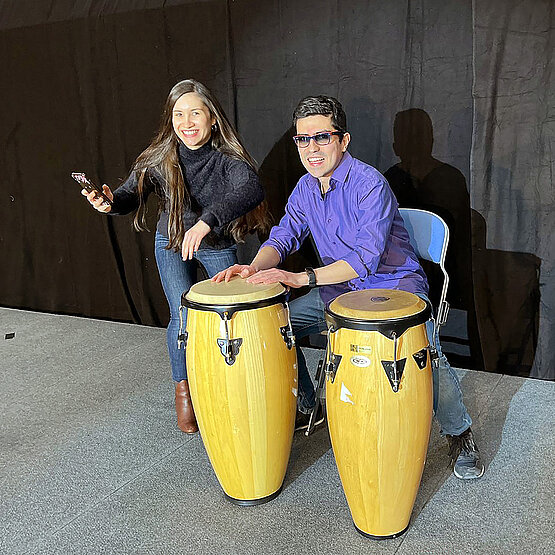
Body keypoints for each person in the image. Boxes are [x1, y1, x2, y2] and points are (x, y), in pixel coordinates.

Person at [213, 95, 484, 480]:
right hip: (338, 294)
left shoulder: (369, 184)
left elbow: (363, 260)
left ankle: (460, 433)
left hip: (395, 289)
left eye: (322, 137)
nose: (311, 148)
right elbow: (284, 236)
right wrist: (254, 267)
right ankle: (309, 405)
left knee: (428, 353)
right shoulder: (306, 187)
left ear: (343, 140)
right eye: (302, 139)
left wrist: (300, 278)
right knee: (273, 326)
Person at [82, 79, 269, 434]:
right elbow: (128, 195)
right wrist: (109, 203)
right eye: (178, 114)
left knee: (235, 314)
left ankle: (240, 385)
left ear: (212, 117)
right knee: (181, 316)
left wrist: (205, 222)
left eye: (195, 113)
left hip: (215, 242)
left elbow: (251, 188)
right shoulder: (160, 156)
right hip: (170, 239)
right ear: (170, 119)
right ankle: (184, 392)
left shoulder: (226, 158)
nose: (187, 122)